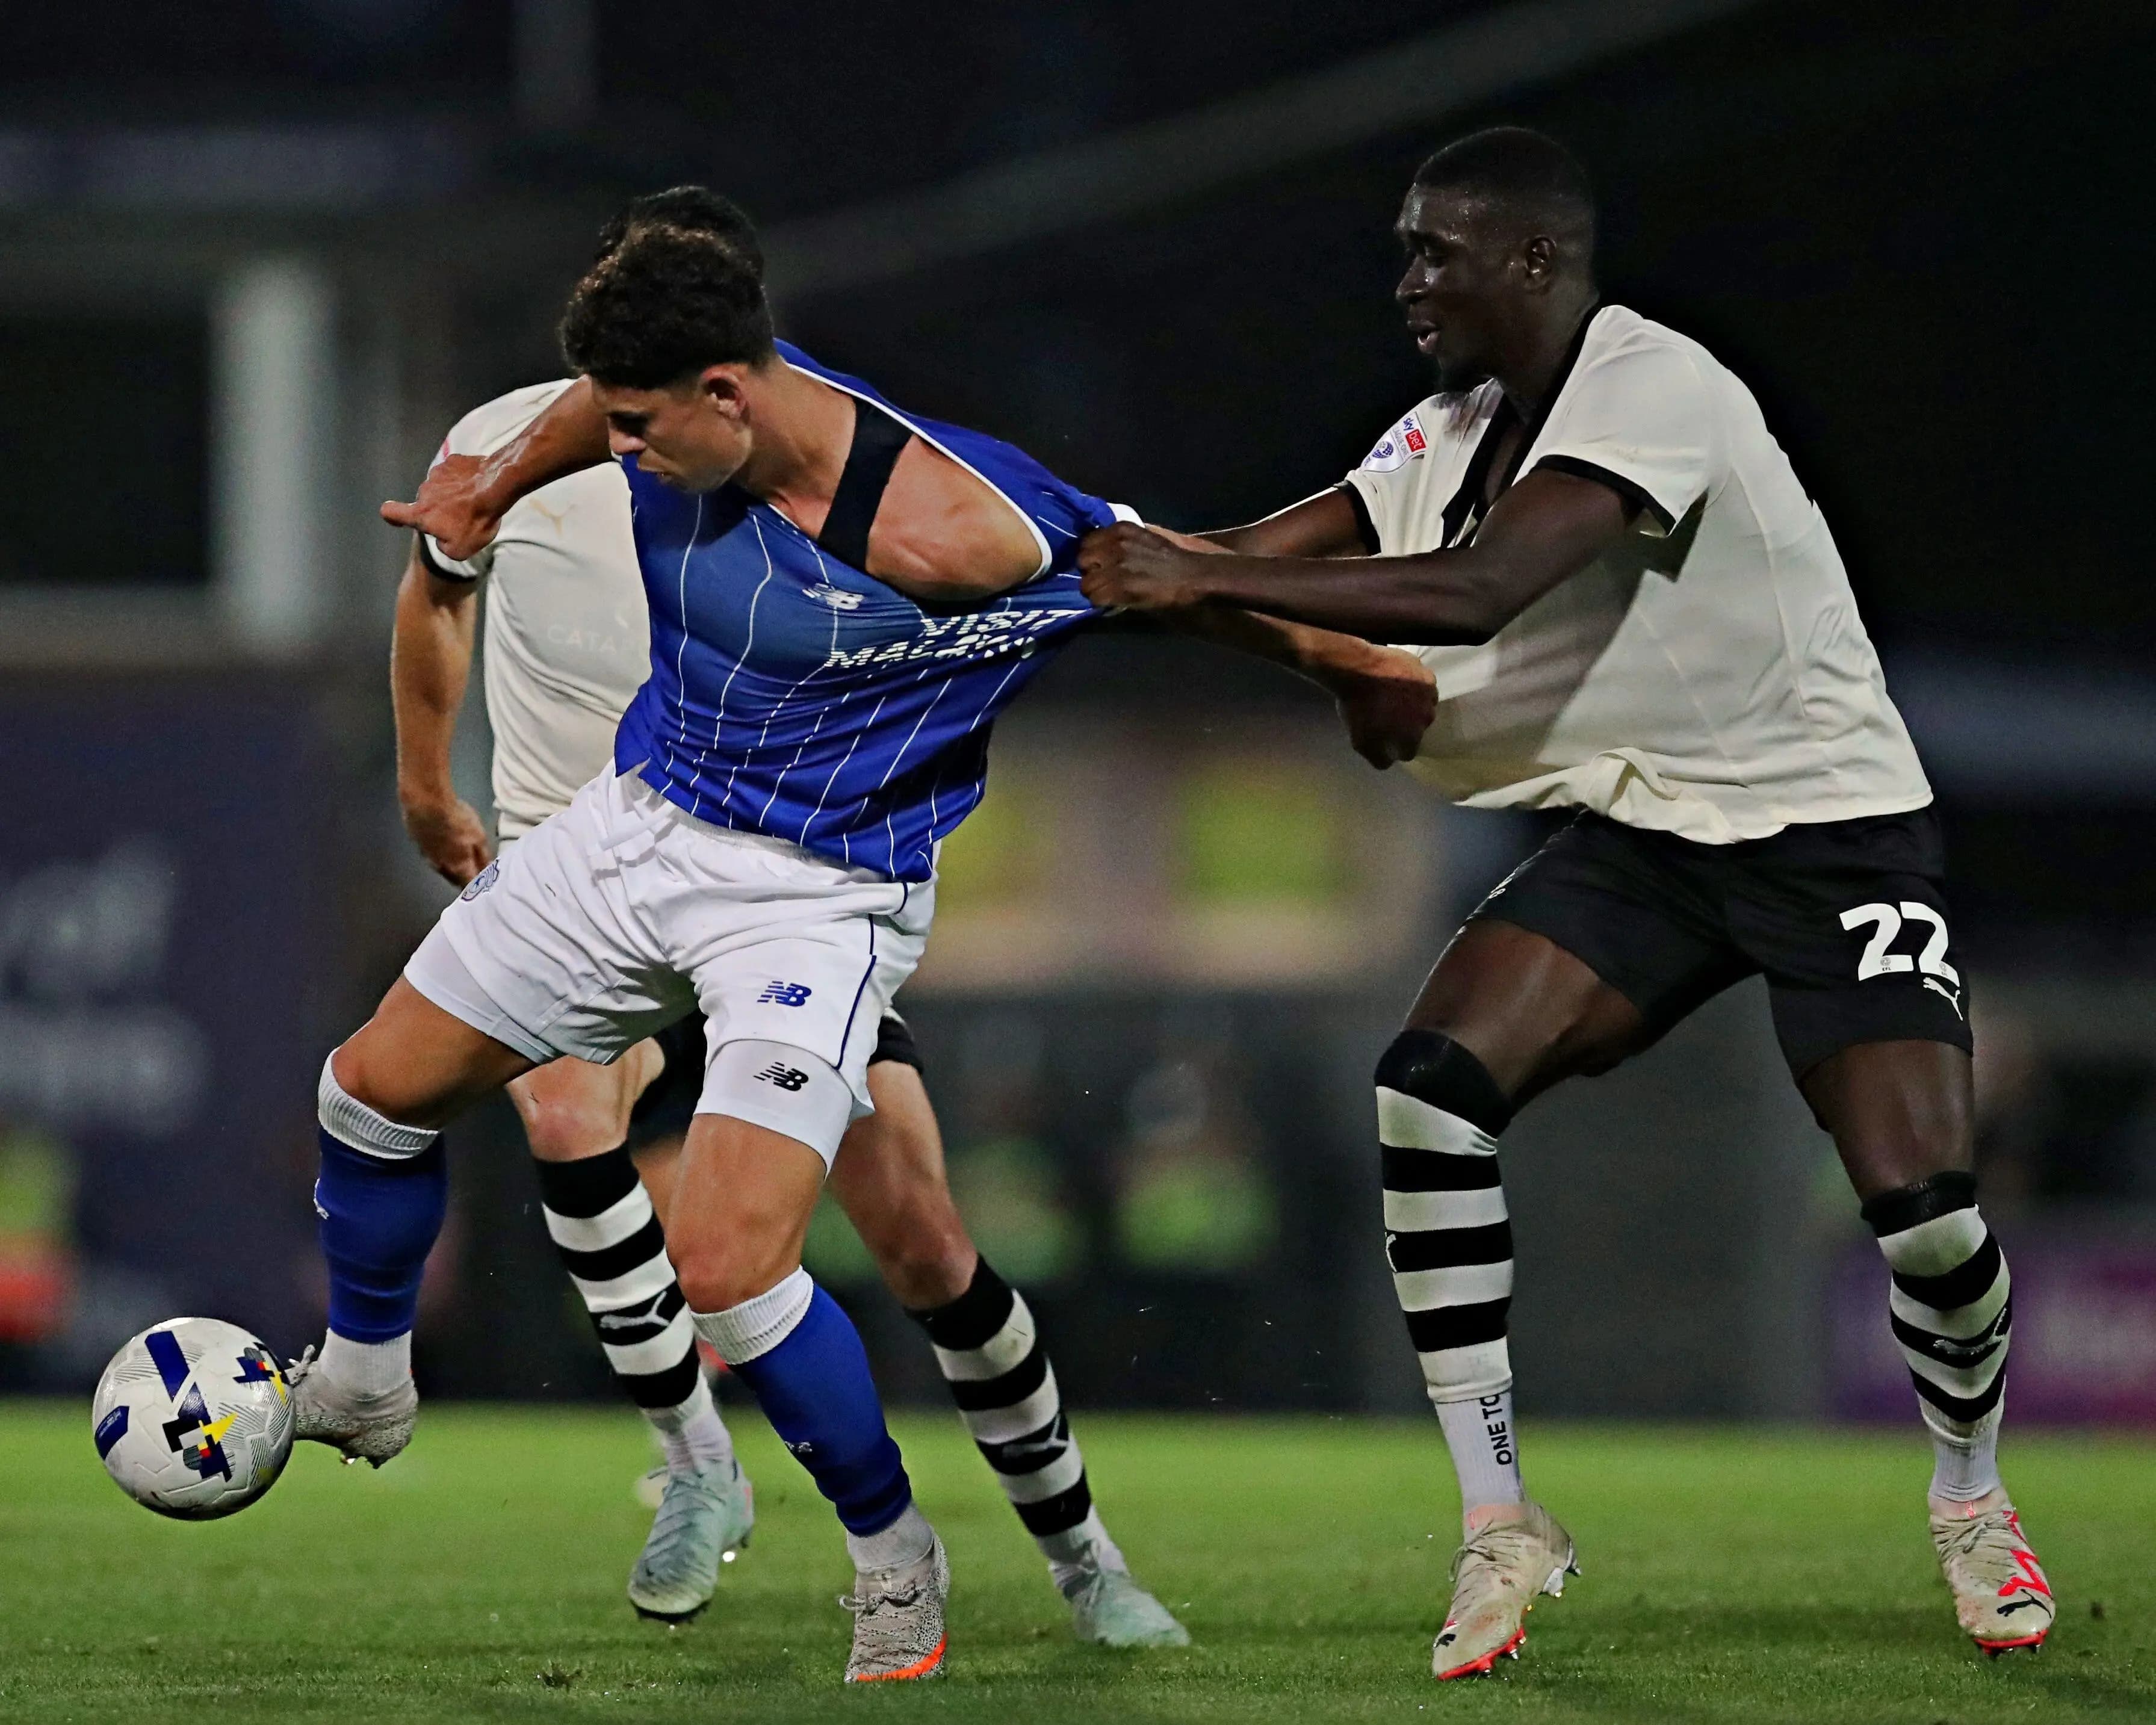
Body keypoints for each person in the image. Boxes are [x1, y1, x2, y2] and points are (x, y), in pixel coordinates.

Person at [302, 196, 1430, 1685]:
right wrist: (489, 487)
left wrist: (1353, 663)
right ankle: (372, 1380)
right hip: (641, 822)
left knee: (736, 1260)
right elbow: (585, 410)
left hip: (819, 894)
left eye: (643, 427)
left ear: (729, 393)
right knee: (368, 1091)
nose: (619, 450)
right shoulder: (676, 400)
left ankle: (898, 1554)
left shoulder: (967, 529)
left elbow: (1175, 577)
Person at [1077, 126, 2051, 1679]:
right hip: (1648, 830)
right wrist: (1087, 571)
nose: (1408, 280)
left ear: (1532, 259)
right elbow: (1272, 550)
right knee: (1427, 1096)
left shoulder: (1652, 382)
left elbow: (1474, 593)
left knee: (1925, 1214)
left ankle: (1972, 1494)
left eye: (1435, 252)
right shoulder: (1457, 422)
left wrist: (1191, 584)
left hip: (1831, 836)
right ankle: (1498, 1516)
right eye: (1405, 249)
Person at [386, 193, 1189, 1650]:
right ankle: (699, 1466)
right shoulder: (521, 441)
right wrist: (429, 789)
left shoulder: (805, 471)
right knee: (567, 1111)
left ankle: (1083, 1550)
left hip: (782, 892)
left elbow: (1035, 573)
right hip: (609, 868)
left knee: (926, 1240)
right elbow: (432, 591)